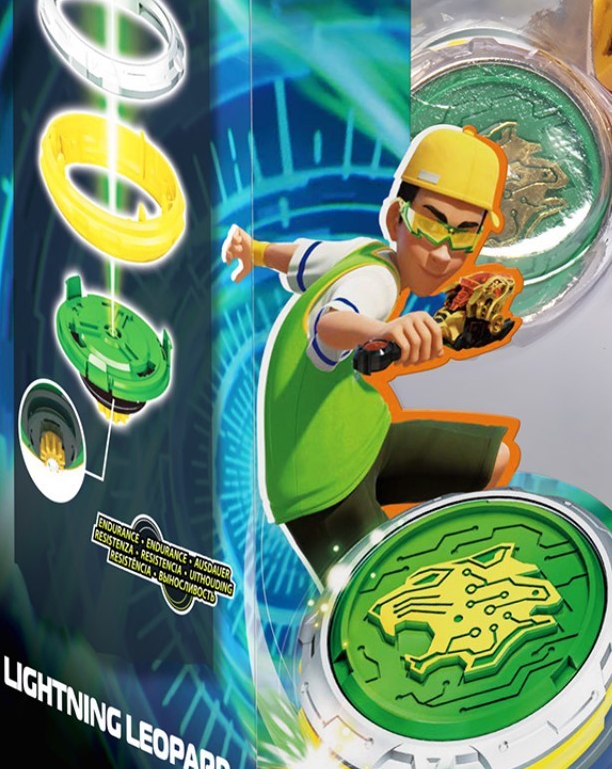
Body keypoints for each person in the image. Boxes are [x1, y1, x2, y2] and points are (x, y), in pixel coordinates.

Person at [222, 125, 518, 584]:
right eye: (430, 225)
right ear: (397, 216)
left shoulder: (364, 252)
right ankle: (424, 570)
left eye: (464, 235)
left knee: (492, 458)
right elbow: (329, 323)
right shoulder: (375, 282)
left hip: (366, 435)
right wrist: (384, 329)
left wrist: (256, 251)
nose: (442, 254)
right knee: (381, 596)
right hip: (319, 484)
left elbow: (300, 256)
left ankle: (435, 555)